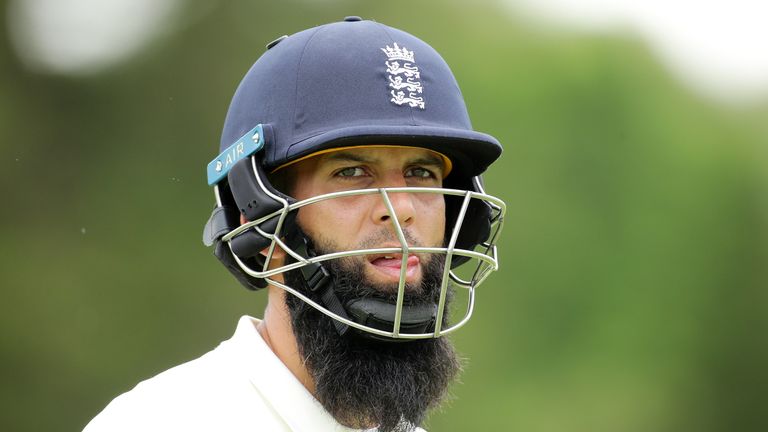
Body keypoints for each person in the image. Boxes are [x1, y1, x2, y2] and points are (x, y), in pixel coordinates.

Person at [84, 17, 505, 432]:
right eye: (352, 172)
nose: (402, 208)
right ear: (260, 220)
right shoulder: (160, 422)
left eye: (421, 173)